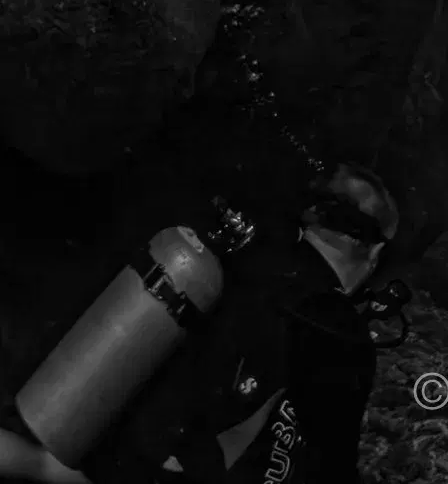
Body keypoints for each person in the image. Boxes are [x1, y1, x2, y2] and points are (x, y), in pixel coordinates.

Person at [1, 163, 399, 484]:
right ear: (375, 251)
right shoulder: (339, 331)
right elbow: (332, 467)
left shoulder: (228, 255)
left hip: (106, 454)